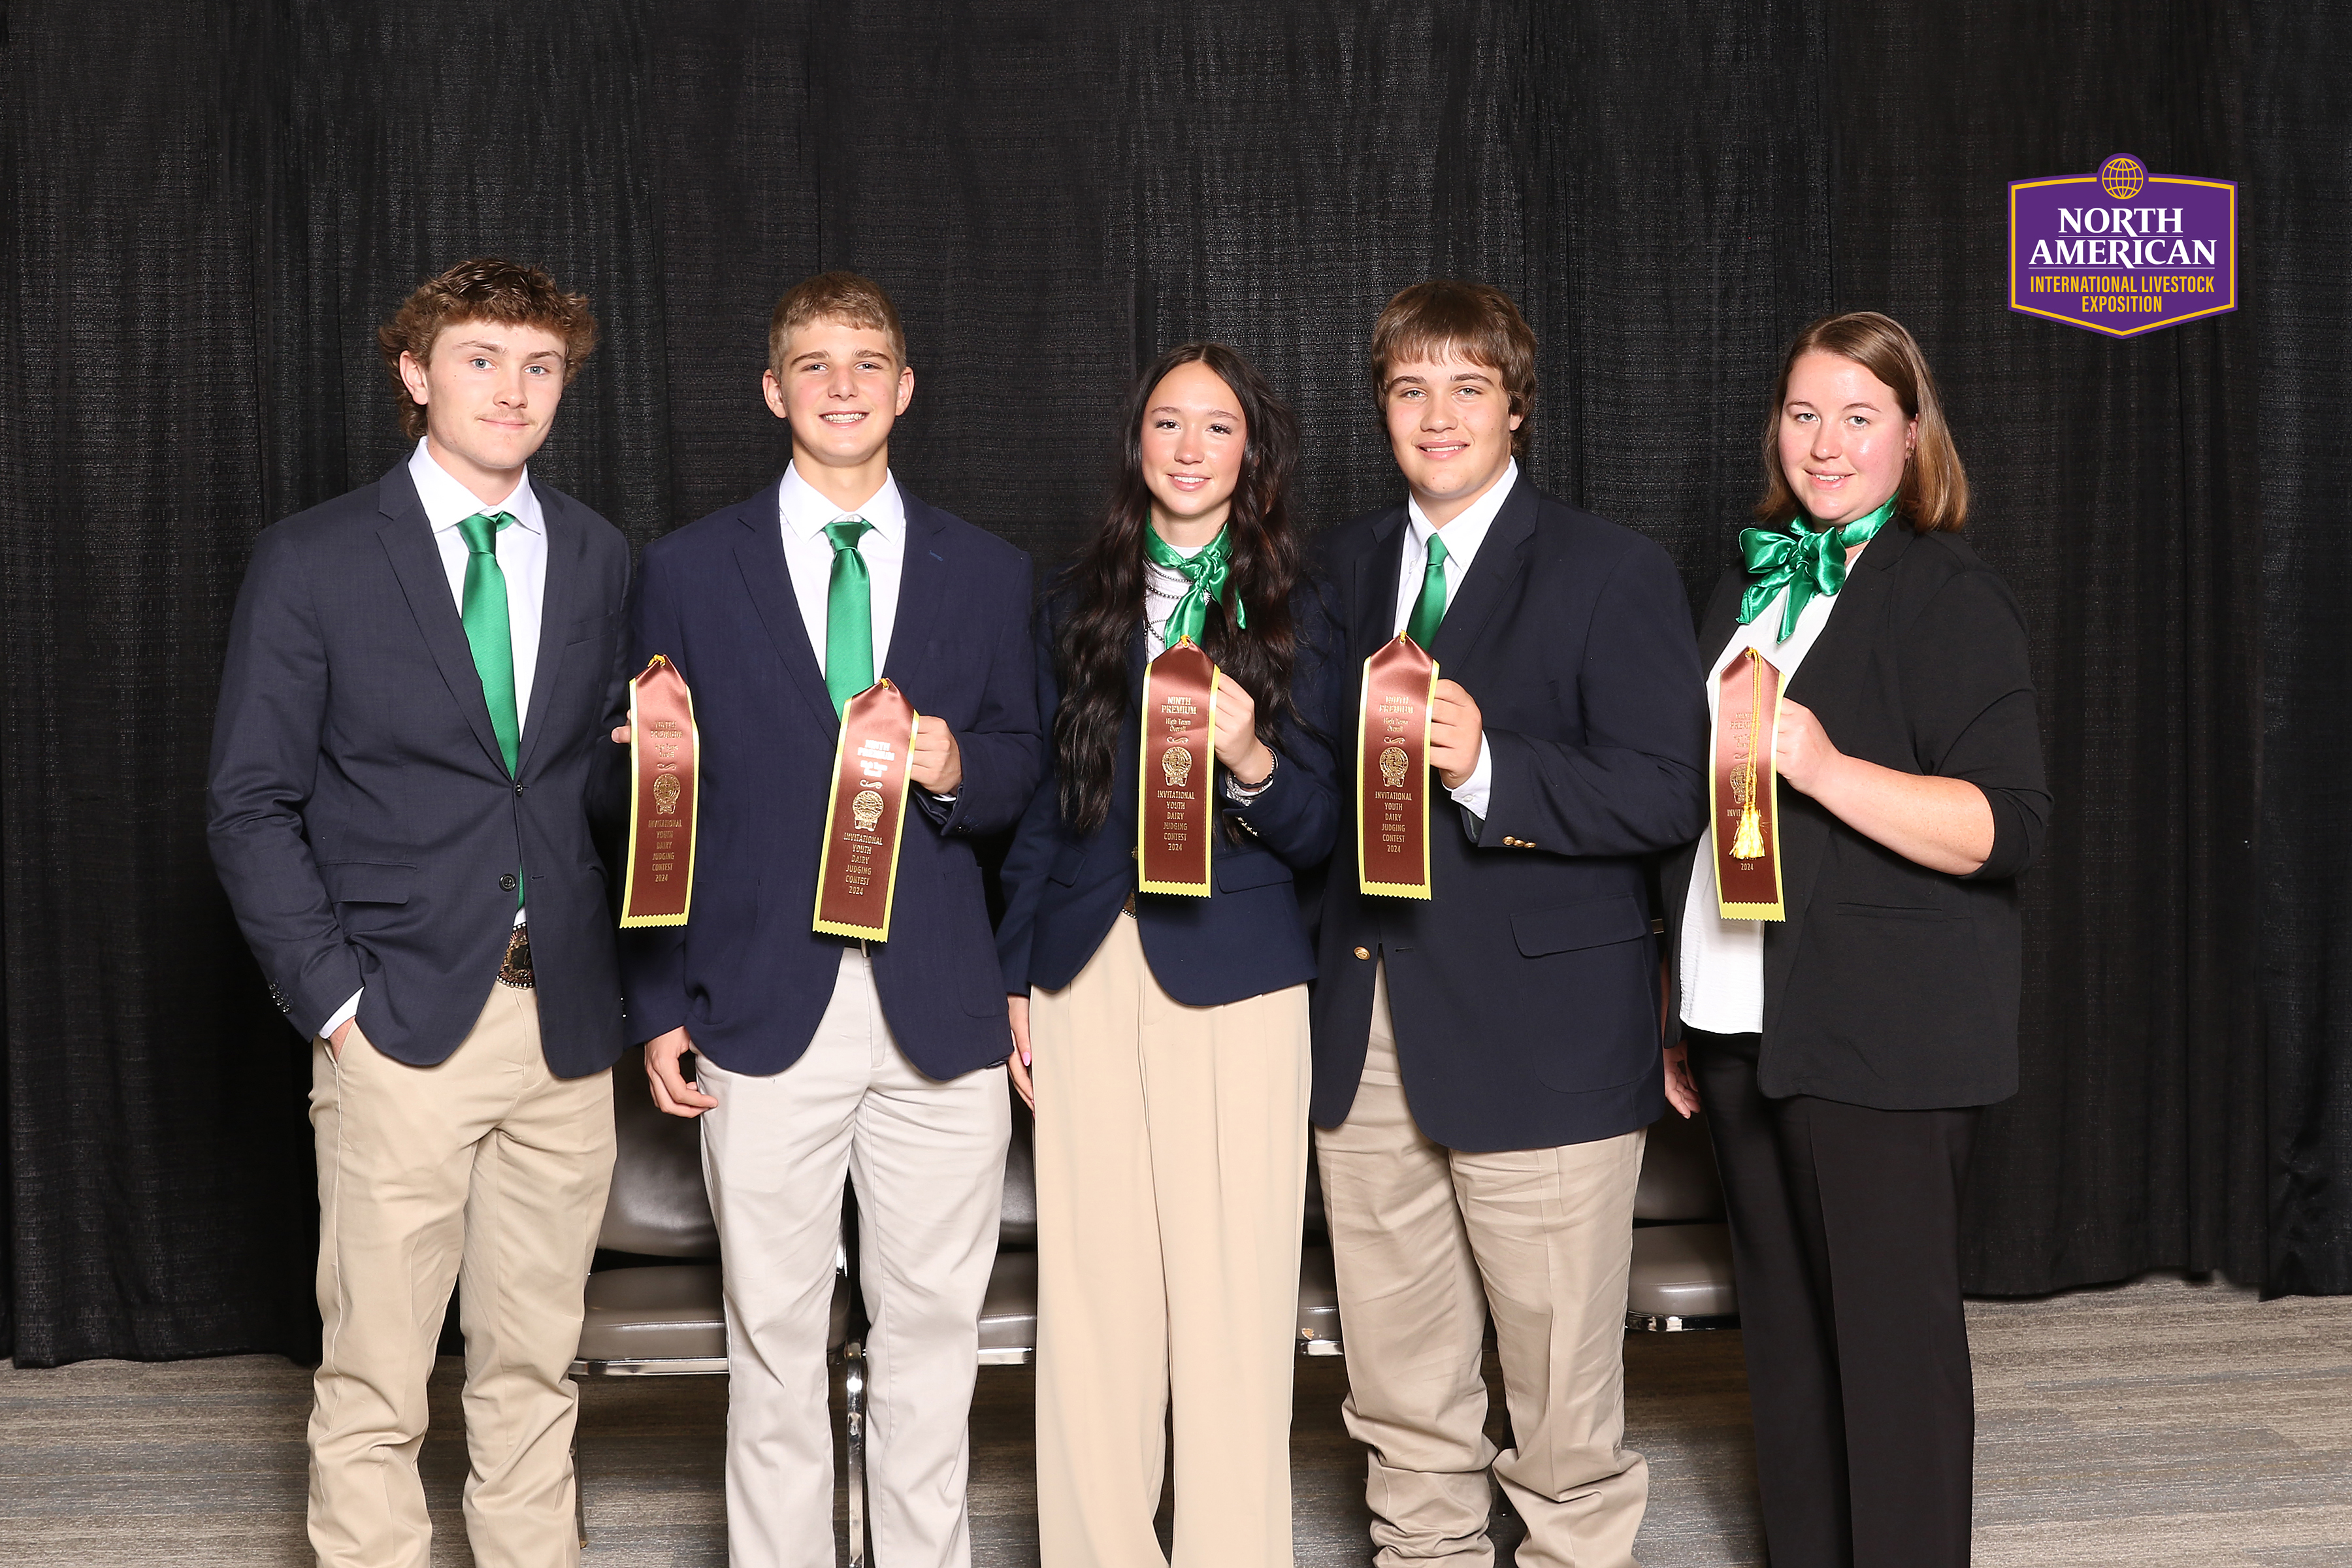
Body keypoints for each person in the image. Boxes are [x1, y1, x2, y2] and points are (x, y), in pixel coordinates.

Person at [208, 257, 629, 1568]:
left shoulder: (606, 556)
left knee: (534, 1371)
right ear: (416, 374)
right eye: (483, 359)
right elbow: (249, 807)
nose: (514, 389)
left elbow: (591, 786)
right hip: (398, 1026)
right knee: (379, 1380)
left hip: (562, 1029)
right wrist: (337, 1006)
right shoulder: (316, 560)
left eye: (541, 365)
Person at [619, 271, 1040, 1568]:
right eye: (815, 363)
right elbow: (644, 805)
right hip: (755, 1009)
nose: (844, 384)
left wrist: (960, 764)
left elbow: (1035, 781)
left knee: (930, 1345)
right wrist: (653, 1003)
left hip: (940, 1018)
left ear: (906, 389)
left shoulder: (991, 569)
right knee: (774, 1347)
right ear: (772, 389)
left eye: (869, 362)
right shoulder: (686, 570)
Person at [1310, 280, 1708, 1568]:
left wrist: (1490, 767)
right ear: (1382, 408)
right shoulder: (1343, 567)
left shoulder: (1611, 568)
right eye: (1411, 387)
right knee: (1401, 1387)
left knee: (1561, 1409)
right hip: (1366, 1030)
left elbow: (1664, 792)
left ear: (1516, 409)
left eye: (1467, 387)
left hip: (1541, 1042)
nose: (1438, 414)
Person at [1659, 311, 2051, 1568]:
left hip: (1884, 1034)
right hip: (1741, 1021)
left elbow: (2003, 827)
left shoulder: (1948, 591)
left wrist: (1825, 768)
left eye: (1859, 417)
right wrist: (1680, 1001)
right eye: (1804, 414)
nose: (1826, 445)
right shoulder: (1745, 580)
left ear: (1911, 434)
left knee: (1892, 1359)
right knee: (1783, 1343)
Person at [996, 342, 1342, 1568]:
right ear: (1135, 445)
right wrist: (1015, 980)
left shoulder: (1311, 607)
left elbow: (1332, 830)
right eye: (1166, 424)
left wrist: (1250, 762)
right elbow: (1044, 805)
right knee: (1092, 1302)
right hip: (1086, 969)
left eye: (1217, 428)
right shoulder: (1073, 602)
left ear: (1253, 454)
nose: (1190, 448)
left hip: (1238, 978)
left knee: (1233, 1294)